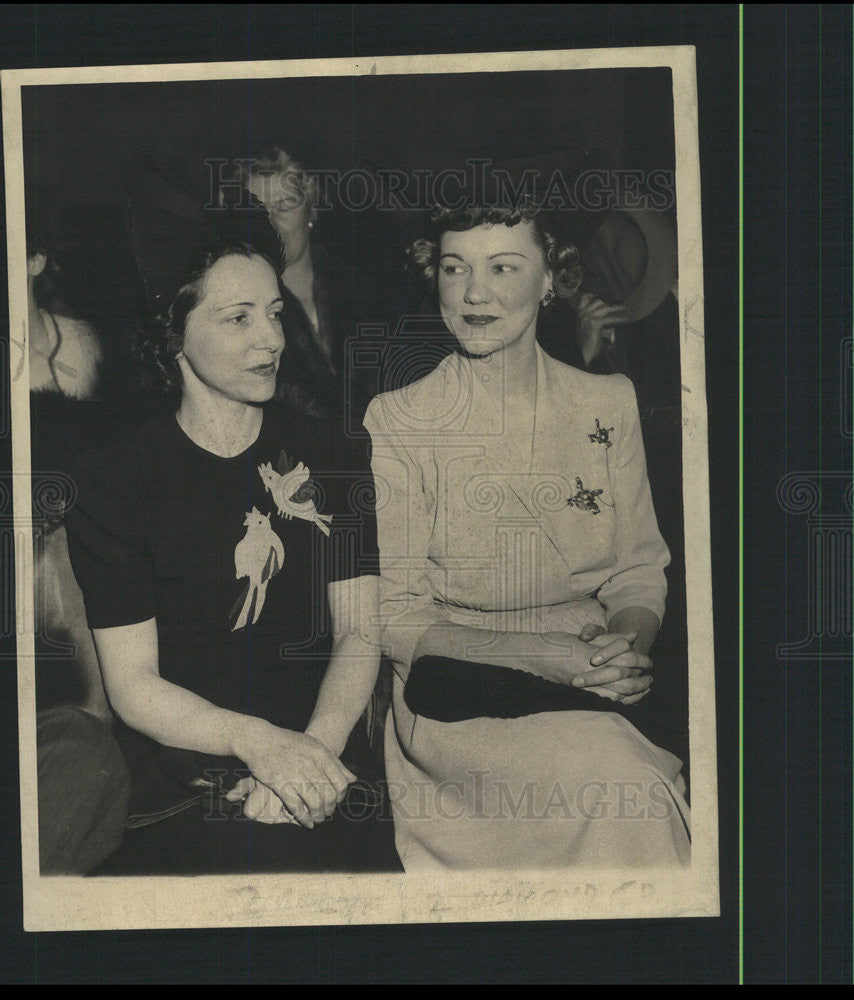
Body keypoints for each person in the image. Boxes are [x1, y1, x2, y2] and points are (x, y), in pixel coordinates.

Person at [363, 204, 691, 871]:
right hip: (459, 692)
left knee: (633, 785)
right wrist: (545, 656)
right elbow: (395, 619)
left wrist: (621, 652)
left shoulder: (609, 402)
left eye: (503, 268)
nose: (475, 292)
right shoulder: (399, 419)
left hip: (590, 674)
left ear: (551, 280)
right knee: (620, 786)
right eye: (455, 268)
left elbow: (637, 569)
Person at [65, 237, 397, 874]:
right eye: (238, 317)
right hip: (185, 767)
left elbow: (360, 630)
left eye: (274, 313)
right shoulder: (116, 479)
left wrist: (312, 758)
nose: (270, 339)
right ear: (173, 332)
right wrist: (259, 745)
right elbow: (134, 686)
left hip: (323, 740)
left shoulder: (331, 453)